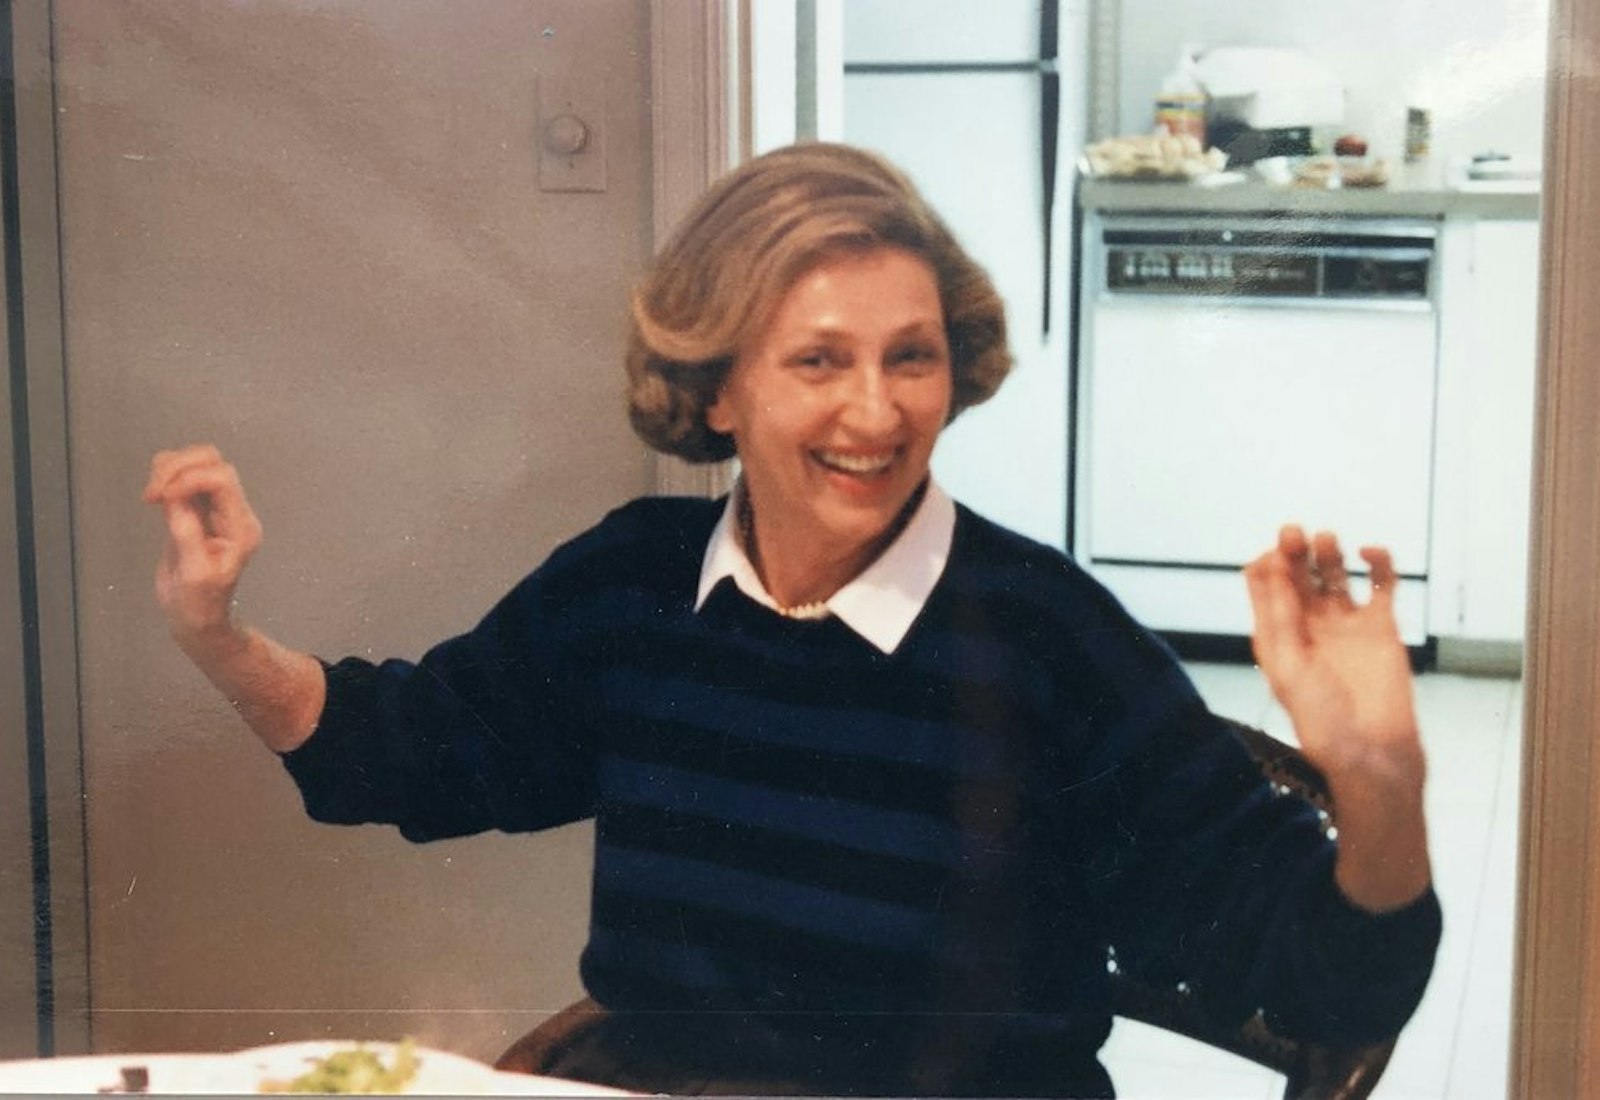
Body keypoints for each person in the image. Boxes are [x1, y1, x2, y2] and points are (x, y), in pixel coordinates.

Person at [142, 143, 1439, 1097]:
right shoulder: (637, 584)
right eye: (820, 360)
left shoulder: (1051, 639)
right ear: (716, 392)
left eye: (911, 356)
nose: (876, 411)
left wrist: (1382, 783)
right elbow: (408, 749)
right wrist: (219, 636)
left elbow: (1332, 982)